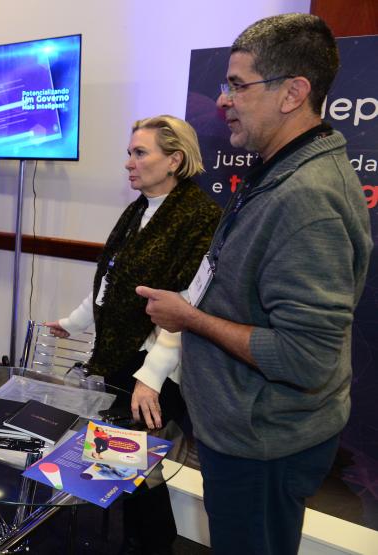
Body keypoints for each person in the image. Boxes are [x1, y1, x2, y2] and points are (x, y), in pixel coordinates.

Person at [136, 14, 372, 555]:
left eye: (238, 86)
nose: (222, 101)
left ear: (293, 93)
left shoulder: (307, 197)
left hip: (263, 444)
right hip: (248, 432)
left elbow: (304, 356)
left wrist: (188, 317)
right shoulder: (281, 169)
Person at [46, 115, 221, 554]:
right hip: (123, 359)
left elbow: (186, 306)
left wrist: (152, 375)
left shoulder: (200, 217)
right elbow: (113, 283)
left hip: (157, 369)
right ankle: (133, 540)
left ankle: (151, 544)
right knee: (125, 465)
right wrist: (73, 322)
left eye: (140, 153)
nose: (129, 162)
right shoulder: (140, 209)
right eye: (129, 152)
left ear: (174, 160)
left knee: (137, 470)